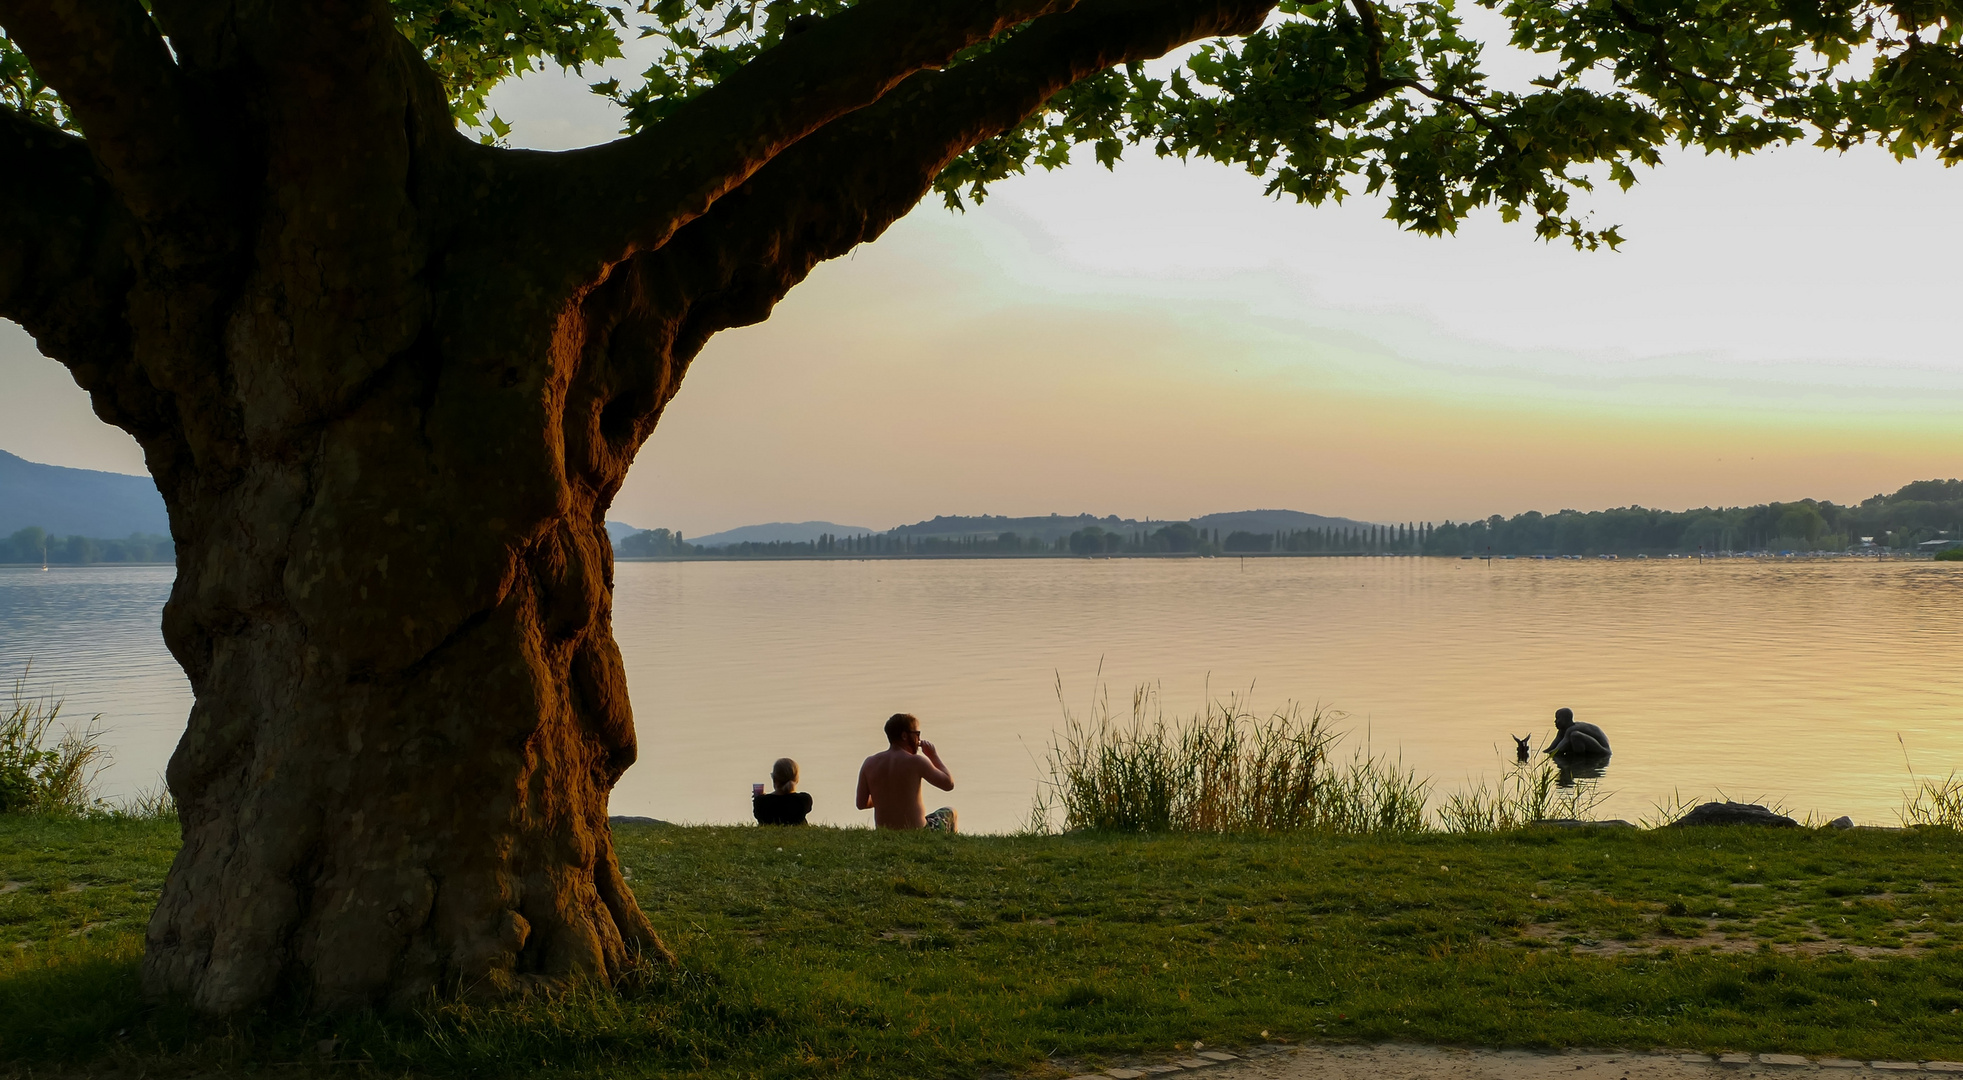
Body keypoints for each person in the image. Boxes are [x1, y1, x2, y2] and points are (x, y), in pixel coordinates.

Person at [856, 712, 957, 832]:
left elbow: (861, 804)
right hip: (917, 830)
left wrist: (883, 797)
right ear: (904, 736)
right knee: (951, 812)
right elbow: (948, 784)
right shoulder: (916, 761)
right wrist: (933, 756)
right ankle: (951, 847)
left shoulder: (869, 763)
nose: (919, 740)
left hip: (885, 831)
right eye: (917, 734)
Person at [752, 757, 812, 826]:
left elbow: (760, 818)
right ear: (796, 779)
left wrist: (760, 798)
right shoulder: (804, 799)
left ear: (774, 778)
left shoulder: (761, 802)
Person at [1543, 707, 1610, 757]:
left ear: (1564, 719)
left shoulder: (1572, 729)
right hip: (1595, 748)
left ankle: (1579, 761)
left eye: (1557, 718)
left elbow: (1558, 750)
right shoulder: (1562, 731)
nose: (1555, 721)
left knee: (1575, 735)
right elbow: (1550, 749)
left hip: (1604, 751)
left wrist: (1549, 757)